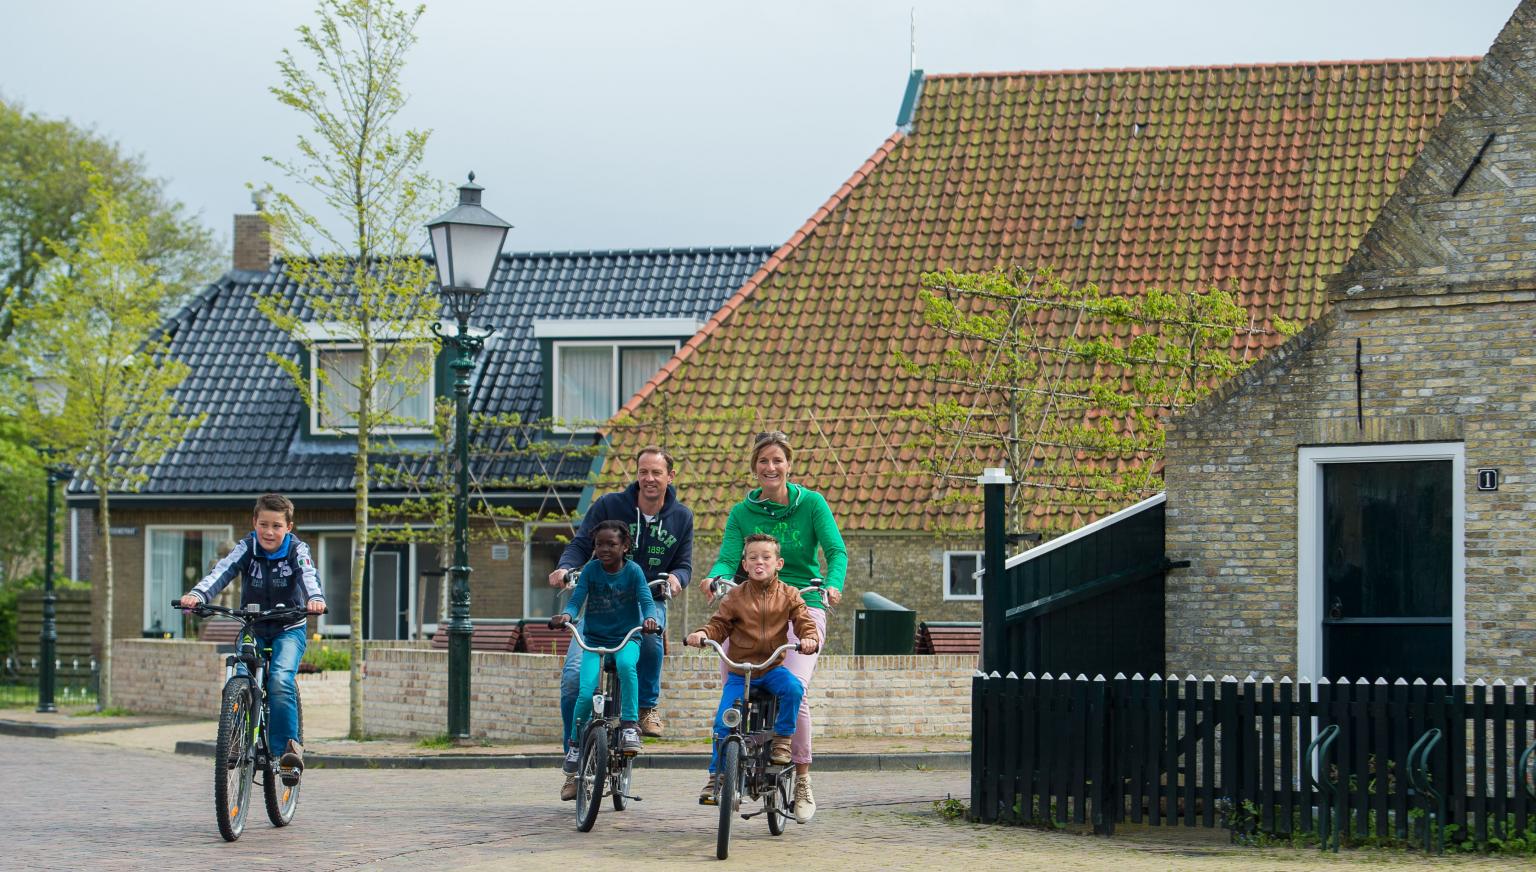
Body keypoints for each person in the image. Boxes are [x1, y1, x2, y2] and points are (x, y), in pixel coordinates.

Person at [703, 431, 846, 823]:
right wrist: (715, 578)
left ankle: (801, 778)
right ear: (754, 467)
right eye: (763, 461)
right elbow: (728, 556)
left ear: (789, 464)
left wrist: (832, 584)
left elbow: (836, 551)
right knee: (734, 683)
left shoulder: (812, 504)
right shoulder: (741, 512)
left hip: (802, 604)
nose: (771, 467)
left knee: (794, 690)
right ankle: (726, 763)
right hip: (750, 607)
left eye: (777, 461)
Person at [548, 446, 693, 800]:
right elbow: (580, 544)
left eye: (657, 472)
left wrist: (676, 578)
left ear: (669, 477)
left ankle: (645, 708)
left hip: (646, 601)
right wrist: (566, 568)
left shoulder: (681, 517)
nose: (649, 478)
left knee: (653, 638)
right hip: (597, 604)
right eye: (644, 471)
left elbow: (685, 564)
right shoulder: (610, 507)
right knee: (571, 681)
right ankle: (575, 755)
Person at [179, 493, 326, 778]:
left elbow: (309, 576)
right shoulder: (247, 547)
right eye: (263, 525)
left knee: (281, 678)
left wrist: (315, 599)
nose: (269, 532)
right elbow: (222, 570)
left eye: (276, 526)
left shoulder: (298, 550)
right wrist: (198, 594)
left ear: (289, 527)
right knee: (240, 675)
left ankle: (287, 752)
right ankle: (234, 740)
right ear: (254, 523)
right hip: (254, 626)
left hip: (288, 627)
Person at [548, 521, 659, 769]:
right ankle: (576, 745)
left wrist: (650, 618)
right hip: (594, 641)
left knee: (627, 666)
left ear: (625, 546)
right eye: (599, 544)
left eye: (612, 544)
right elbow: (577, 600)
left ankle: (630, 726)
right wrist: (567, 615)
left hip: (626, 638)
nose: (605, 549)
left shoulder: (633, 571)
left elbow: (646, 600)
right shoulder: (590, 570)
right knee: (585, 690)